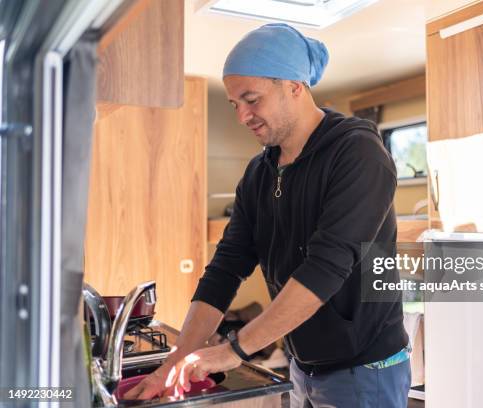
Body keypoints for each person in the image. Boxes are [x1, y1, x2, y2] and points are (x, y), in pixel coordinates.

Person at [124, 23, 411, 407]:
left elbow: (324, 269)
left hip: (364, 370)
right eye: (234, 104)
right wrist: (173, 362)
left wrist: (234, 350)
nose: (242, 116)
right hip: (301, 367)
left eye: (252, 99)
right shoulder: (260, 172)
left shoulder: (358, 154)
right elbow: (225, 270)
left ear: (294, 86)